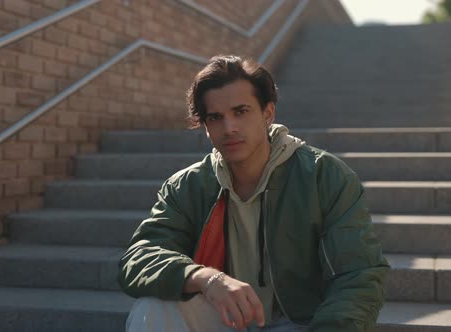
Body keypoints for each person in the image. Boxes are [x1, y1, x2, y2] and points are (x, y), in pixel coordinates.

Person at [118, 55, 390, 331]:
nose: (229, 128)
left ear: (267, 113)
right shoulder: (188, 185)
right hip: (225, 318)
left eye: (241, 112)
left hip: (301, 323)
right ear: (206, 127)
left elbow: (358, 274)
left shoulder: (323, 175)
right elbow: (140, 257)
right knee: (152, 309)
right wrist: (206, 278)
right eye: (215, 118)